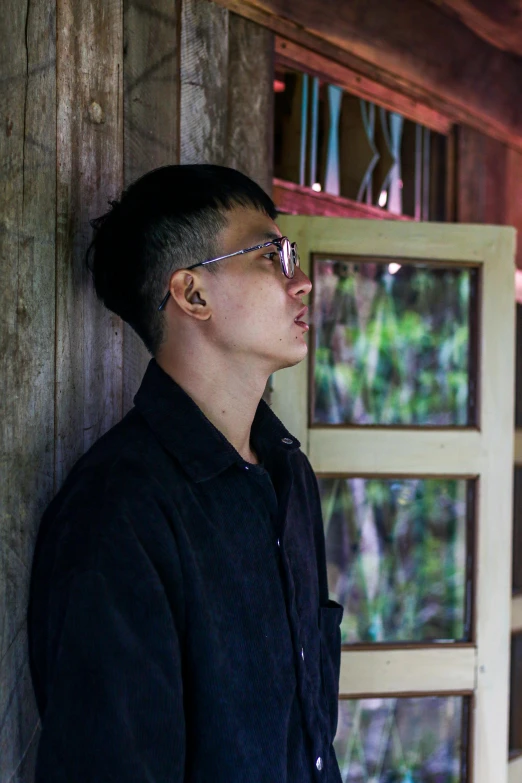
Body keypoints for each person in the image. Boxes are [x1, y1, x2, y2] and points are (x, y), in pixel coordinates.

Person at [28, 164, 343, 782]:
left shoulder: (288, 474)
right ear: (192, 294)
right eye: (271, 257)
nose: (302, 282)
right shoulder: (117, 513)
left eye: (295, 256)